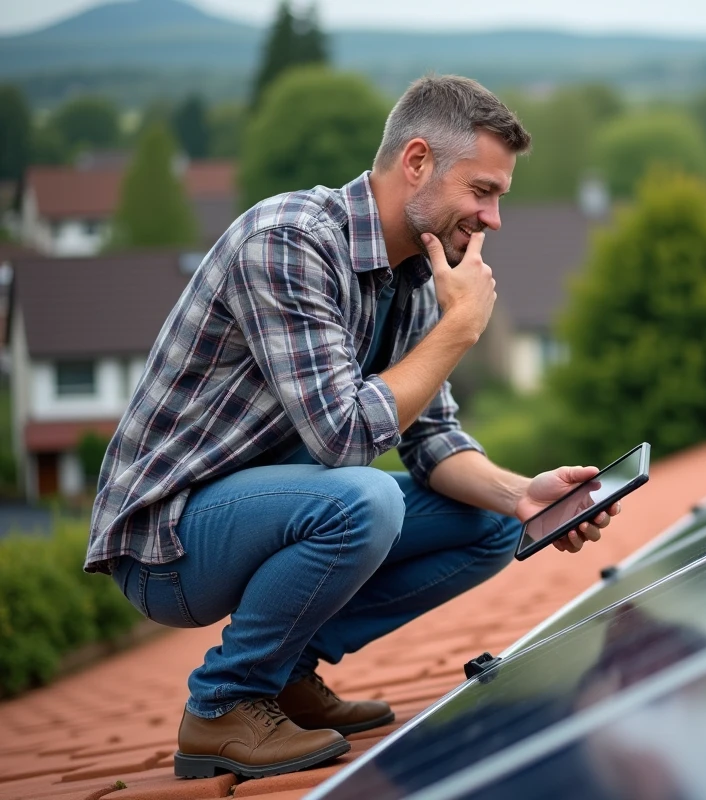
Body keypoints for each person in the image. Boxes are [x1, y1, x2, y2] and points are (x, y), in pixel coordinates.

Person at [85, 75, 621, 781]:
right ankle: (224, 703)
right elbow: (342, 439)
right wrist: (460, 329)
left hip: (276, 512)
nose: (493, 219)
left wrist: (521, 494)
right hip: (170, 544)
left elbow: (433, 441)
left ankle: (284, 673)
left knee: (491, 523)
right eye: (482, 191)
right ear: (418, 161)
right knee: (365, 500)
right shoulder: (288, 243)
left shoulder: (417, 277)